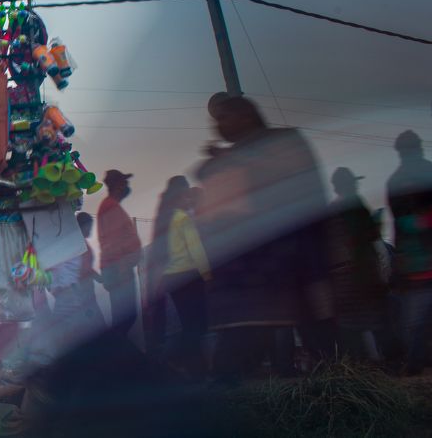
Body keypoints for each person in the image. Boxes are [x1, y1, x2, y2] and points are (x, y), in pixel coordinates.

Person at [195, 93, 331, 381]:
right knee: (243, 336)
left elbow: (306, 192)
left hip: (296, 253)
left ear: (246, 116)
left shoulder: (283, 142)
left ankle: (342, 392)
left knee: (318, 330)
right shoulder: (231, 159)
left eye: (223, 118)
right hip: (259, 267)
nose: (217, 126)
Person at [147, 178, 211, 376]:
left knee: (187, 324)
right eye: (186, 195)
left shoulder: (162, 218)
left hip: (170, 278)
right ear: (180, 196)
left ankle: (194, 369)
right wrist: (207, 274)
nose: (188, 199)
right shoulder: (182, 218)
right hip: (189, 276)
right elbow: (196, 249)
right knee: (197, 325)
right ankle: (176, 361)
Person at [326, 168, 386, 359]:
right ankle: (380, 362)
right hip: (360, 273)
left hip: (342, 276)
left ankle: (359, 365)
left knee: (352, 324)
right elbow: (368, 236)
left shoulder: (331, 210)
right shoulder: (354, 205)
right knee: (372, 320)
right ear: (349, 184)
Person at [386, 130, 432, 375]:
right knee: (414, 323)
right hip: (415, 266)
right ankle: (415, 364)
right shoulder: (402, 179)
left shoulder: (398, 179)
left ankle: (415, 365)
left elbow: (398, 225)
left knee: (414, 323)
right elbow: (399, 223)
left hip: (414, 265)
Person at [96, 170, 142, 337]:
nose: (126, 186)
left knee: (124, 318)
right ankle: (115, 355)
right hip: (118, 268)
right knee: (125, 318)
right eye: (124, 182)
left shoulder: (111, 206)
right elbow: (115, 243)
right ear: (118, 185)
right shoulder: (110, 206)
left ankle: (117, 353)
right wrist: (122, 269)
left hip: (117, 267)